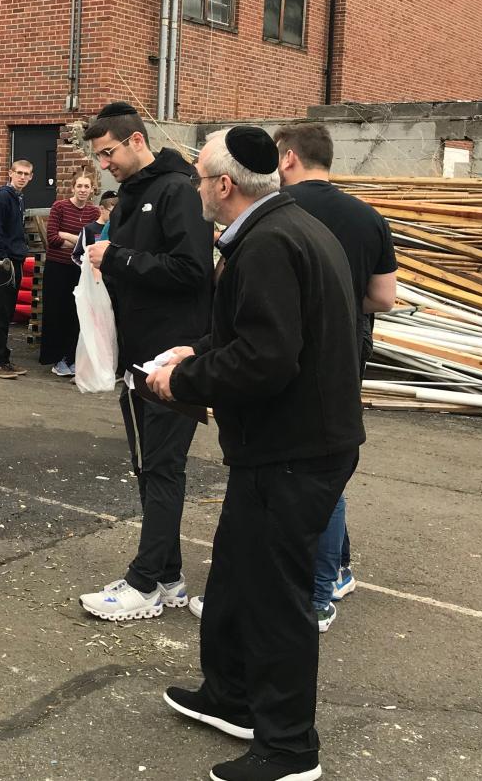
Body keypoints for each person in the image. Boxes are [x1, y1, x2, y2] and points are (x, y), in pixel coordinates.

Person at [146, 126, 364, 781]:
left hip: (295, 450)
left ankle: (289, 748)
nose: (195, 190)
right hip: (281, 445)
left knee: (275, 597)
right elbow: (258, 330)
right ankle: (232, 696)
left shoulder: (268, 242)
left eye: (199, 178)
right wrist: (201, 352)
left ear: (223, 185)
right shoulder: (282, 226)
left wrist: (182, 380)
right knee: (239, 575)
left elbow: (268, 357)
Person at [76, 103, 213, 623]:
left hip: (171, 356)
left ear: (136, 141)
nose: (103, 163)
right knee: (148, 465)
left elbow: (192, 270)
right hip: (137, 354)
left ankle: (145, 583)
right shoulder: (133, 193)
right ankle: (169, 576)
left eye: (108, 152)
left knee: (161, 467)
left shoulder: (177, 190)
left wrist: (117, 258)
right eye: (98, 155)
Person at [276, 120, 396, 630]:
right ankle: (339, 567)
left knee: (305, 473)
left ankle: (319, 588)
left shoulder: (280, 214)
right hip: (349, 354)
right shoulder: (368, 217)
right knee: (331, 463)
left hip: (294, 357)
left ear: (287, 159)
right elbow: (385, 298)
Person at [40, 173, 99, 376]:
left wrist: (68, 236)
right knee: (56, 313)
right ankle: (56, 360)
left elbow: (92, 242)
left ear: (92, 190)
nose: (83, 190)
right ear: (72, 188)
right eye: (79, 186)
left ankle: (71, 357)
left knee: (76, 314)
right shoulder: (60, 207)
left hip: (79, 270)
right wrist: (80, 240)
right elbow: (53, 239)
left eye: (87, 186)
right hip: (58, 267)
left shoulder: (94, 211)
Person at [0, 159, 33, 379]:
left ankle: (3, 358)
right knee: (0, 312)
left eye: (26, 174)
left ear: (31, 177)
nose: (22, 177)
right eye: (19, 172)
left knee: (7, 312)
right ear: (10, 173)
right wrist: (3, 260)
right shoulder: (2, 197)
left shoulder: (17, 198)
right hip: (5, 263)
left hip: (15, 260)